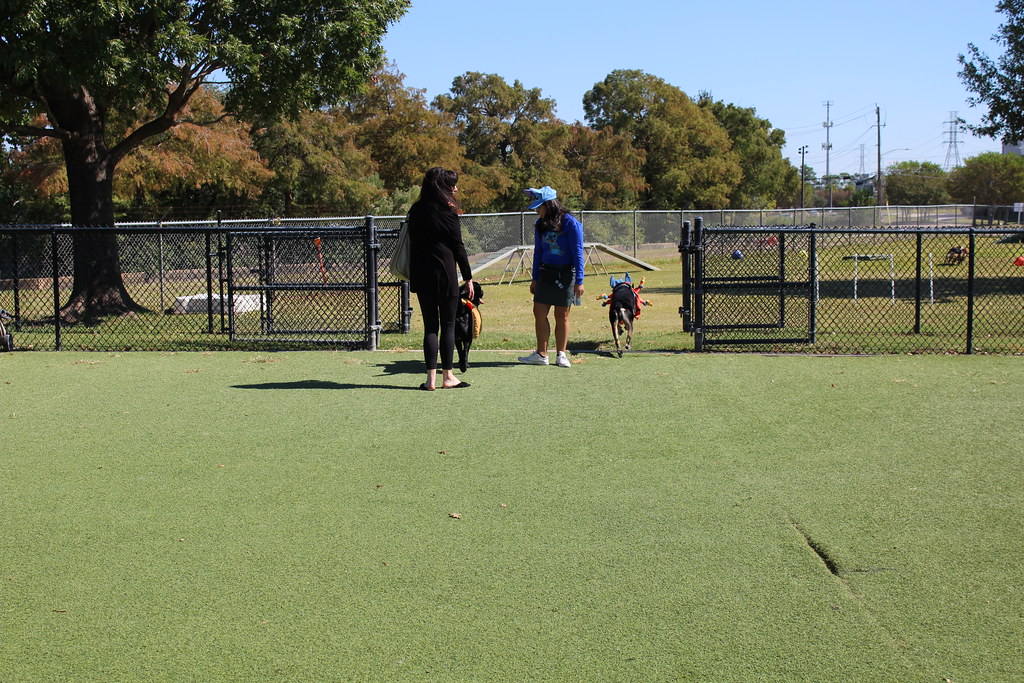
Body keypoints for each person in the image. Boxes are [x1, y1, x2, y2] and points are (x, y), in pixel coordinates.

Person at [408, 167, 474, 390]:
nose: (455, 188)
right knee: (447, 325)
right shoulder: (448, 211)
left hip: (421, 272)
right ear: (442, 187)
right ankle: (448, 377)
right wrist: (468, 278)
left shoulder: (415, 210)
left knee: (429, 327)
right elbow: (458, 247)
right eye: (451, 184)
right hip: (445, 273)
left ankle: (430, 380)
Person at [518, 186, 584, 368]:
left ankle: (561, 354)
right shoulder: (540, 224)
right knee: (539, 312)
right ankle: (541, 354)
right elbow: (538, 251)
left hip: (565, 274)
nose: (538, 211)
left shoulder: (570, 223)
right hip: (545, 272)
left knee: (561, 314)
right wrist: (535, 277)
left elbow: (578, 253)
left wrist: (580, 281)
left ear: (550, 204)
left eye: (540, 207)